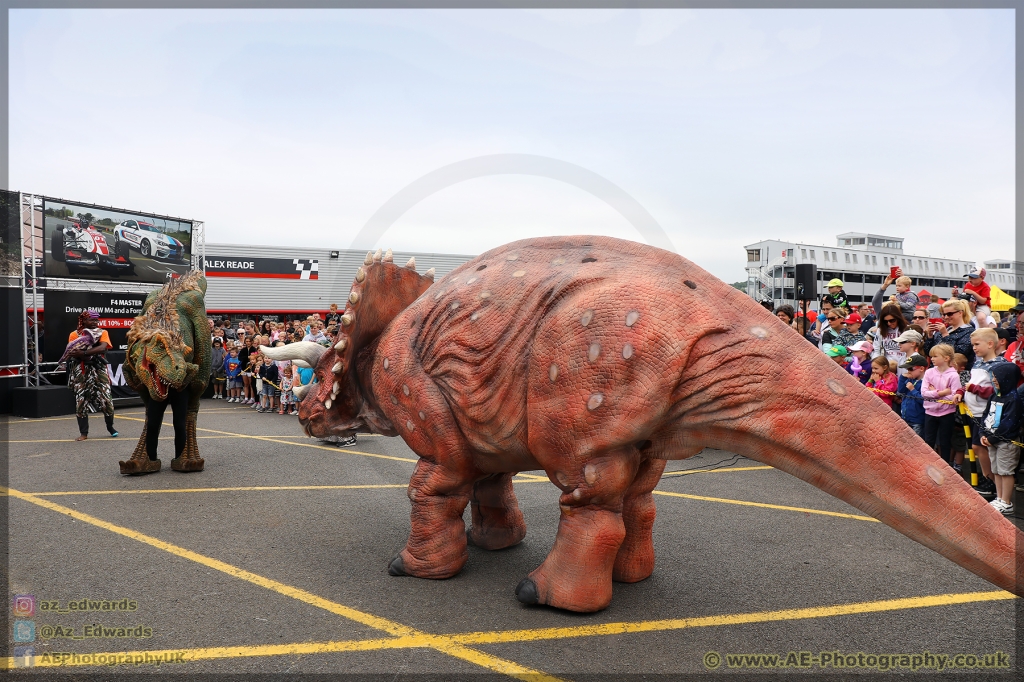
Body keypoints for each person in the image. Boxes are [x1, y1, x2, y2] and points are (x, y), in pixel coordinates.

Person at [955, 328, 1008, 499]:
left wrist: (974, 389)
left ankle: (990, 480)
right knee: (977, 446)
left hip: (987, 413)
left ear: (990, 344)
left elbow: (997, 392)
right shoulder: (977, 364)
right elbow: (968, 383)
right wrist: (961, 392)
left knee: (981, 446)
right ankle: (988, 478)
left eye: (977, 344)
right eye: (973, 345)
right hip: (974, 412)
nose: (974, 348)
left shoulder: (999, 365)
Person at [66, 310, 118, 441]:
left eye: (96, 320)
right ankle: (84, 433)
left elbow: (103, 348)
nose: (95, 322)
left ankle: (110, 427)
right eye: (92, 320)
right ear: (83, 321)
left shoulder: (103, 332)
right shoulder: (74, 334)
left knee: (106, 399)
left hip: (98, 369)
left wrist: (83, 353)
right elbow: (72, 351)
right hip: (81, 371)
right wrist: (84, 353)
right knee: (81, 401)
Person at [978, 362, 1021, 515]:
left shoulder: (1013, 400)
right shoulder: (994, 396)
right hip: (991, 439)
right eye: (993, 376)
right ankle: (999, 497)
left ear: (1007, 378)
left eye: (997, 377)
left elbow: (1009, 424)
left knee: (1006, 471)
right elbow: (985, 416)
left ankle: (1006, 502)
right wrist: (982, 434)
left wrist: (993, 438)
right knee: (996, 469)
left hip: (1005, 442)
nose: (994, 379)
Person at [921, 344, 960, 466]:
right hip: (930, 412)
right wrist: (942, 392)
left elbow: (953, 397)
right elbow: (923, 393)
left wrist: (933, 392)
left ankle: (945, 465)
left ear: (946, 358)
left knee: (944, 442)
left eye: (935, 356)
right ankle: (927, 464)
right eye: (931, 356)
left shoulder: (954, 375)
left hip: (947, 413)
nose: (931, 359)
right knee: (929, 441)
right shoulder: (929, 372)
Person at [927, 299, 975, 369]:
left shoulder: (970, 331)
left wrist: (945, 335)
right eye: (944, 314)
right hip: (936, 371)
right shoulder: (944, 329)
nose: (946, 317)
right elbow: (929, 352)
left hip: (956, 372)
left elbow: (960, 353)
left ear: (960, 313)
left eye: (949, 314)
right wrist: (930, 336)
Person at [870, 303, 908, 373]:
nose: (889, 323)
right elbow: (876, 349)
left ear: (898, 318)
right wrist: (877, 365)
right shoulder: (880, 330)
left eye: (892, 320)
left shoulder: (906, 329)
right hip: (886, 366)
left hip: (903, 365)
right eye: (886, 321)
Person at [898, 354, 927, 438]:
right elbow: (900, 391)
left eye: (911, 369)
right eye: (907, 369)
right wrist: (902, 378)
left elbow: (924, 401)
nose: (908, 371)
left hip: (917, 421)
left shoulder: (925, 382)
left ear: (921, 368)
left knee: (915, 444)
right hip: (905, 417)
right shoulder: (909, 379)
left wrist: (913, 390)